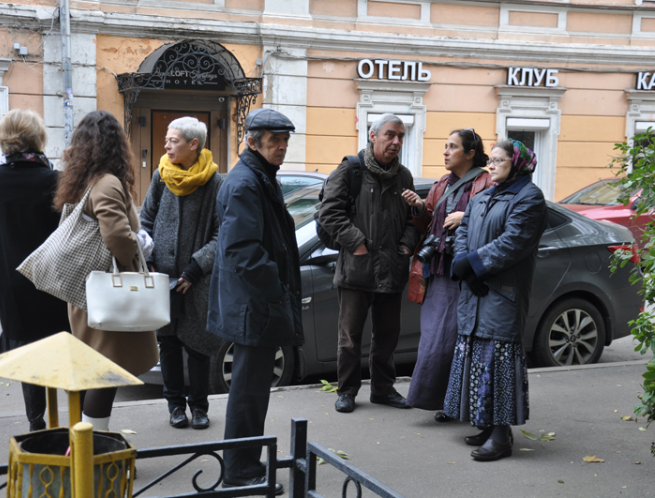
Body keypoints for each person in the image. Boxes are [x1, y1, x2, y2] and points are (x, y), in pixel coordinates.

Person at [207, 108, 303, 494]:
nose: (281, 147)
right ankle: (241, 470)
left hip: (254, 304)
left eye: (285, 141)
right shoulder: (248, 182)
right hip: (254, 305)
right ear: (252, 141)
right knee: (247, 393)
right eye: (274, 141)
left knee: (251, 391)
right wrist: (276, 291)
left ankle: (244, 461)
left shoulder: (258, 176)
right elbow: (244, 251)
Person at [443, 139, 548, 462]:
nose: (492, 165)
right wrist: (464, 264)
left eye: (500, 161)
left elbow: (513, 242)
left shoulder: (529, 198)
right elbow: (464, 230)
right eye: (492, 160)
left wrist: (474, 265)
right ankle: (488, 426)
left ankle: (501, 437)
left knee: (499, 363)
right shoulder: (485, 195)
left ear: (517, 164)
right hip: (476, 294)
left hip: (503, 294)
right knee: (477, 358)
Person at [53, 110, 158, 431]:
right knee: (105, 374)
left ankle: (86, 444)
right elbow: (116, 236)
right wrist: (139, 245)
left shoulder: (82, 179)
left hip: (89, 291)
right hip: (108, 295)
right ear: (116, 144)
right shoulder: (108, 182)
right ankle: (92, 450)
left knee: (96, 372)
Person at [317, 113, 420, 414]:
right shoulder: (351, 169)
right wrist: (357, 243)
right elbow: (329, 213)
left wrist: (405, 246)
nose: (396, 141)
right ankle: (347, 391)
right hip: (356, 270)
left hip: (392, 269)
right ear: (373, 136)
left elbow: (413, 221)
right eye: (390, 135)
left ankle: (383, 390)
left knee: (387, 337)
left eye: (401, 136)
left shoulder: (404, 176)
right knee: (349, 339)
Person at [0, 109, 71, 432]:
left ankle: (36, 422)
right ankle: (76, 422)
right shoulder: (53, 179)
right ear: (38, 138)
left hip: (9, 282)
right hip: (49, 282)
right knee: (64, 349)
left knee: (30, 353)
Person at [401, 128, 493, 422]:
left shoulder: (487, 181)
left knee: (460, 340)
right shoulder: (441, 183)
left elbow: (497, 218)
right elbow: (428, 224)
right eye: (445, 146)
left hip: (467, 272)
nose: (445, 151)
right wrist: (418, 207)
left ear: (470, 153)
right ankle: (440, 401)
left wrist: (467, 217)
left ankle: (457, 403)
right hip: (439, 271)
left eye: (452, 147)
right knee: (434, 339)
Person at [140, 117, 223, 430]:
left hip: (197, 280)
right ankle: (175, 406)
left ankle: (200, 408)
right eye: (166, 139)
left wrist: (197, 266)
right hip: (162, 276)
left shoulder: (215, 183)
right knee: (169, 344)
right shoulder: (160, 176)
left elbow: (221, 233)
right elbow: (145, 220)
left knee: (199, 346)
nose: (166, 146)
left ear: (193, 145)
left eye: (173, 140)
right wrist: (146, 259)